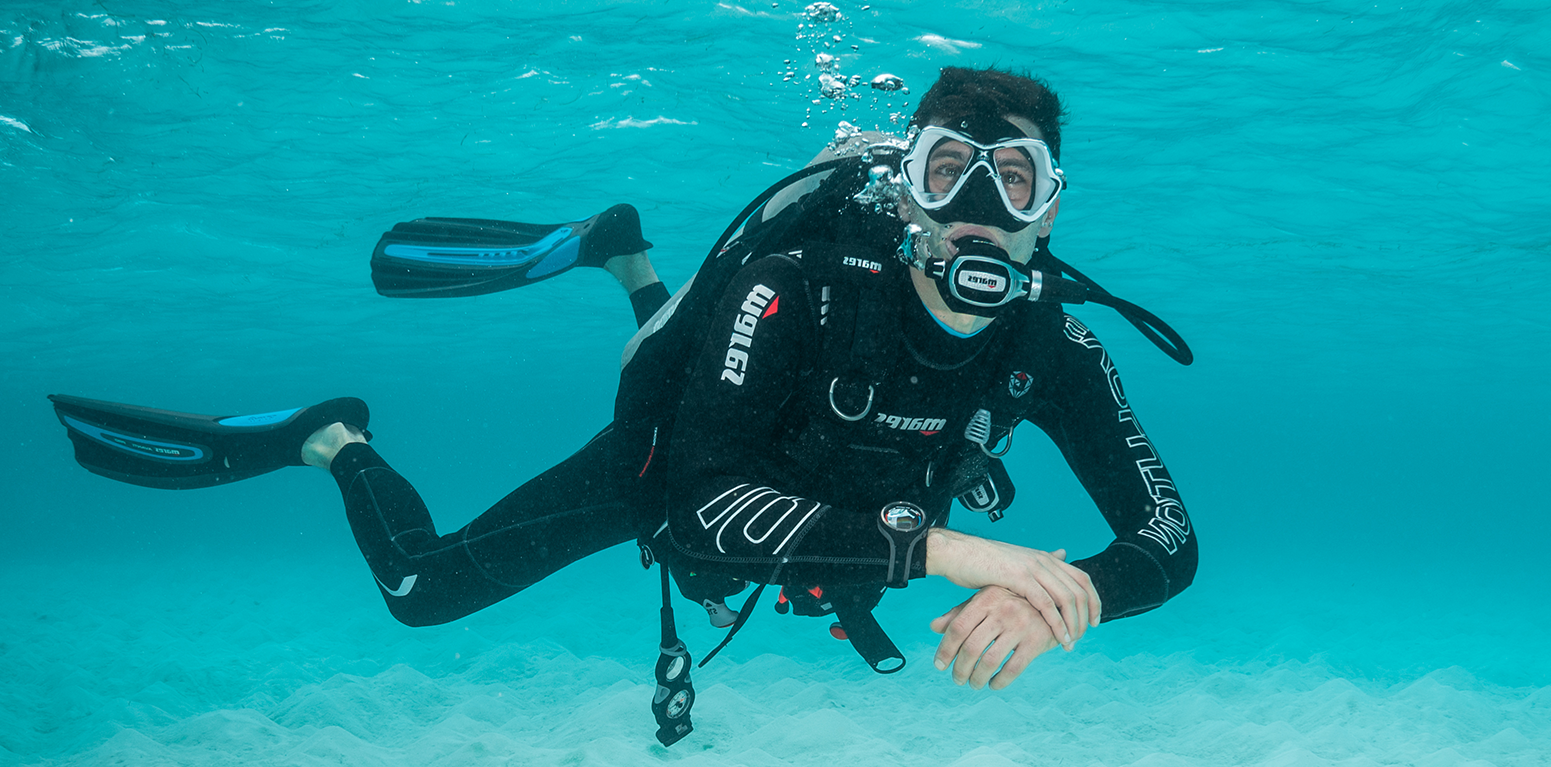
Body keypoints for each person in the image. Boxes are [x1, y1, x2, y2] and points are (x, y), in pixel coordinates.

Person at [48, 67, 1195, 711]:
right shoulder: (798, 286)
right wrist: (964, 553)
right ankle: (330, 437)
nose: (980, 206)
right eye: (948, 170)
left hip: (826, 508)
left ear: (1052, 208)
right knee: (415, 588)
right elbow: (702, 503)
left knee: (673, 326)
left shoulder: (1055, 345)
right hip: (673, 461)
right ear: (903, 192)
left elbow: (1166, 540)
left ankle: (627, 258)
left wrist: (1069, 592)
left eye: (1015, 178)